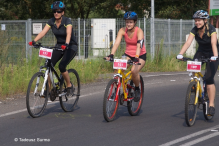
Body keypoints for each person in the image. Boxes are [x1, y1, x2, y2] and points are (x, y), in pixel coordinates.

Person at [29, 1, 78, 99]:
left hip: (71, 46)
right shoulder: (51, 21)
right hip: (59, 46)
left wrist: (67, 44)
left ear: (63, 12)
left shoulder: (67, 21)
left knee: (62, 66)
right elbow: (43, 32)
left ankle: (69, 85)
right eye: (54, 11)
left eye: (59, 11)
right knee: (49, 64)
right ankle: (49, 89)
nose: (56, 13)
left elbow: (68, 33)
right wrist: (34, 41)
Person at [176, 10, 218, 116]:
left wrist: (215, 56)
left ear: (205, 21)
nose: (197, 23)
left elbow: (213, 43)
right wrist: (180, 54)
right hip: (201, 52)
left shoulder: (211, 29)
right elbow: (188, 42)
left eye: (199, 20)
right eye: (195, 21)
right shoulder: (195, 30)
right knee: (193, 69)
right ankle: (196, 86)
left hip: (213, 53)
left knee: (209, 78)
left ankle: (211, 105)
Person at [105, 11, 146, 102]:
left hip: (140, 55)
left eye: (131, 22)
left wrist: (136, 57)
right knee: (118, 71)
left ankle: (137, 89)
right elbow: (116, 43)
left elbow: (139, 45)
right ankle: (116, 90)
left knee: (133, 71)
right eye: (127, 22)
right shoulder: (122, 30)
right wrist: (111, 54)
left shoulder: (139, 31)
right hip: (128, 54)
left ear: (135, 22)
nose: (128, 24)